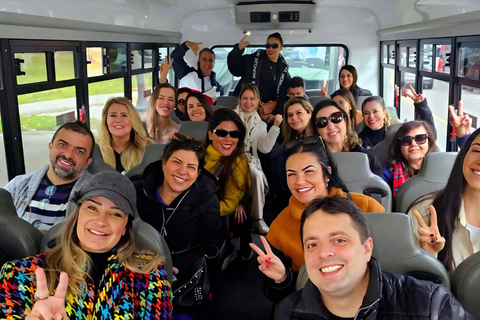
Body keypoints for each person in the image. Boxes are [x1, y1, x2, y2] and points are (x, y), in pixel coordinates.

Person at [0, 171, 173, 319]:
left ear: (125, 228)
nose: (101, 221)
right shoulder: (19, 275)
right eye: (92, 208)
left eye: (115, 214)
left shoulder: (149, 273)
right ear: (77, 215)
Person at [274, 196, 473, 319]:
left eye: (339, 240)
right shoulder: (288, 311)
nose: (323, 253)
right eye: (312, 245)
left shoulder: (431, 305)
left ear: (367, 248)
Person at [250, 139, 384, 303]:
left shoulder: (369, 207)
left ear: (326, 173)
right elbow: (284, 297)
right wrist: (283, 279)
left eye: (308, 171)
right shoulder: (280, 226)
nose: (299, 181)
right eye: (291, 174)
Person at [134, 133, 222, 316]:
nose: (183, 171)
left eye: (191, 167)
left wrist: (173, 267)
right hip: (134, 273)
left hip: (181, 280)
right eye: (176, 162)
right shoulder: (136, 192)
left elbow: (210, 244)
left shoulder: (207, 200)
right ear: (164, 163)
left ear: (198, 173)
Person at [408, 128, 480, 275]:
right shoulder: (424, 213)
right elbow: (411, 288)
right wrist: (429, 257)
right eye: (477, 151)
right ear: (464, 155)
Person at [5, 121, 94, 231]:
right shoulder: (17, 185)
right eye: (63, 145)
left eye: (79, 151)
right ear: (50, 146)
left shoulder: (95, 195)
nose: (68, 155)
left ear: (88, 161)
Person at [234, 83, 282, 234]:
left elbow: (264, 148)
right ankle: (255, 218)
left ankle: (258, 218)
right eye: (245, 98)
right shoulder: (231, 117)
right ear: (240, 100)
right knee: (254, 173)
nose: (248, 102)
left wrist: (274, 128)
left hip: (250, 159)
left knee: (256, 174)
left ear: (258, 101)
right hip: (233, 158)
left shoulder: (260, 124)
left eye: (252, 99)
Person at [228, 32, 291, 120]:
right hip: (247, 104)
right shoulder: (254, 59)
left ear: (281, 47)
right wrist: (238, 49)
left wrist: (274, 113)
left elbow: (283, 96)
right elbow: (235, 69)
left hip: (267, 112)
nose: (270, 48)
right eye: (268, 46)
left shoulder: (284, 70)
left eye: (274, 46)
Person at [312, 99, 383, 177]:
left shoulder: (366, 158)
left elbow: (379, 188)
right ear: (317, 129)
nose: (330, 126)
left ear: (345, 121)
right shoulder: (312, 161)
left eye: (336, 118)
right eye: (322, 122)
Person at [359, 86, 436, 149]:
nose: (371, 116)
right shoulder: (358, 140)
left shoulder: (397, 132)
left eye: (375, 111)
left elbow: (431, 135)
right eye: (366, 113)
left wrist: (421, 105)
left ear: (384, 113)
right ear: (363, 116)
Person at [383, 120, 437, 196]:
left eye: (420, 138)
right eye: (406, 140)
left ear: (429, 142)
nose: (413, 144)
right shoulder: (388, 174)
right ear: (400, 146)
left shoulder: (440, 170)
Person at [98, 97, 152, 173]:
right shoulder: (95, 151)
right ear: (105, 121)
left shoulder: (149, 149)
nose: (118, 120)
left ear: (133, 120)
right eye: (113, 115)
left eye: (124, 115)